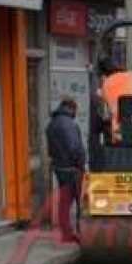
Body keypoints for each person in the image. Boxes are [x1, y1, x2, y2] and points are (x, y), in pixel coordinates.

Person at [47, 97, 86, 243]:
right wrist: (81, 165)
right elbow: (75, 148)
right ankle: (82, 233)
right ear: (71, 108)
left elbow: (50, 150)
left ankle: (66, 234)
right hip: (73, 169)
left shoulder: (51, 124)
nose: (76, 113)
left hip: (60, 168)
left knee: (64, 202)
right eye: (75, 110)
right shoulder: (69, 124)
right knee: (81, 202)